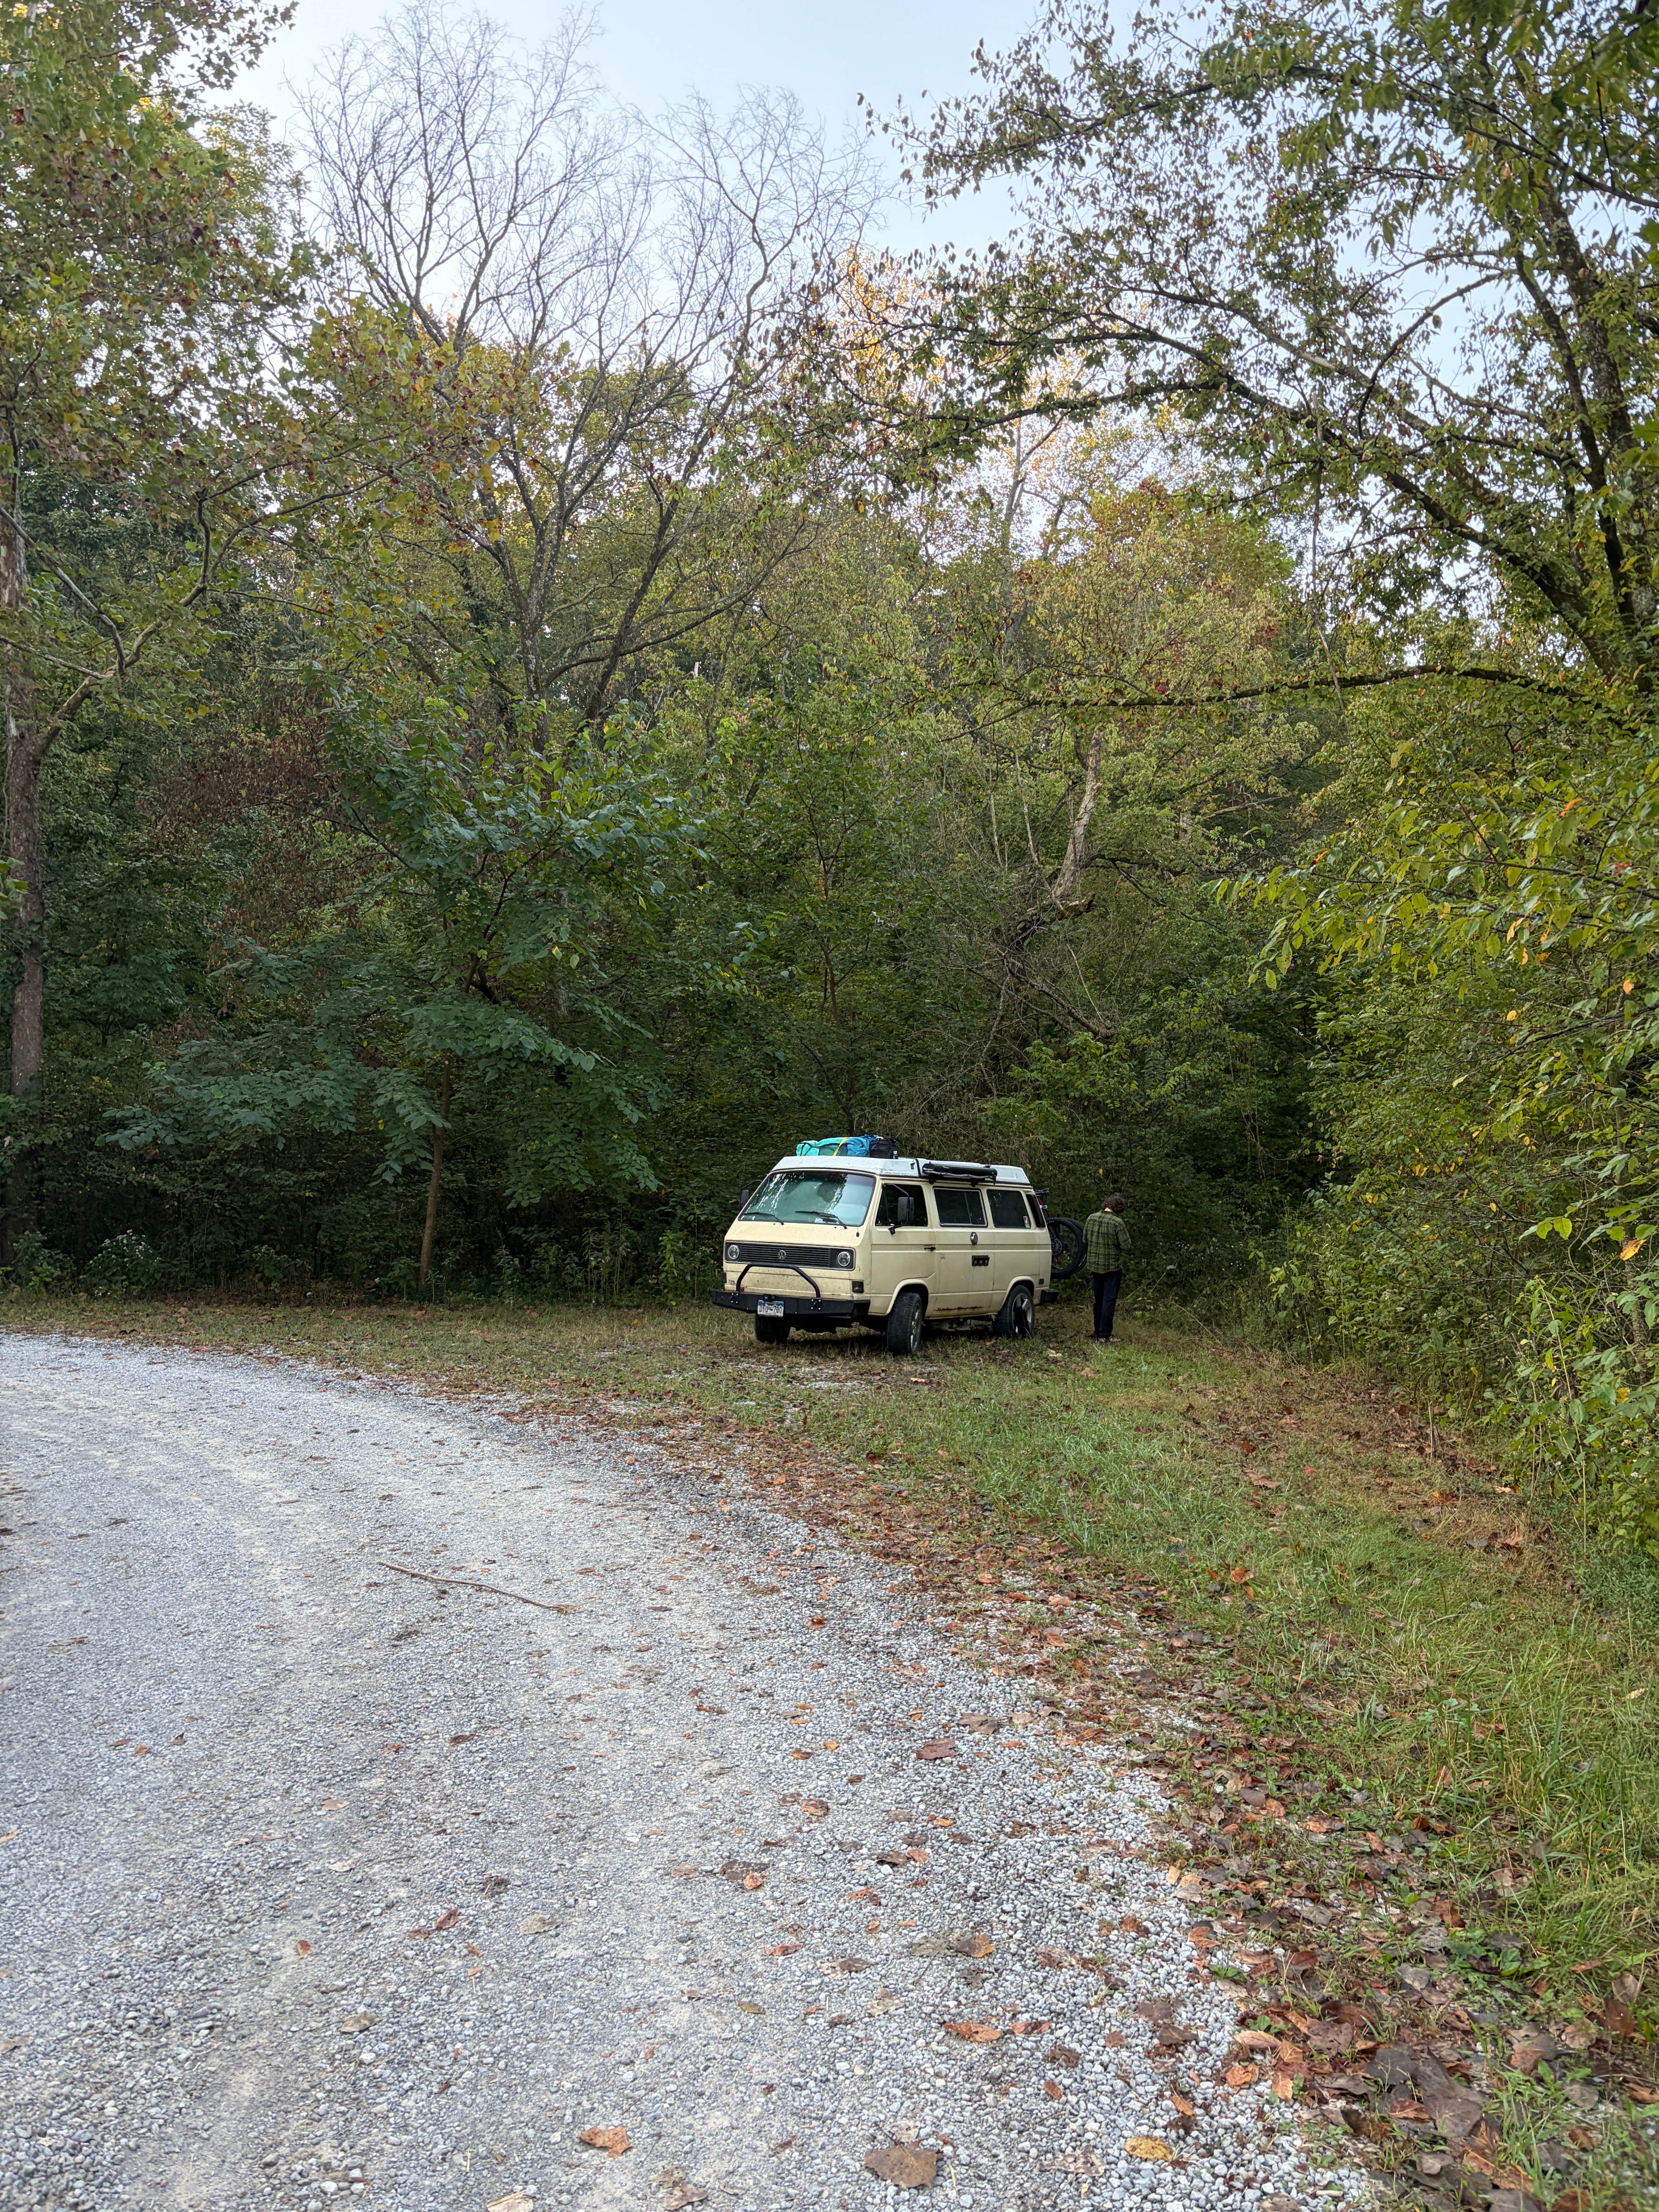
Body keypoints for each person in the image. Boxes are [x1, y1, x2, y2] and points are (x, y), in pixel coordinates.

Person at [1083, 1193, 1130, 1344]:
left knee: (1098, 1300)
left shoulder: (1091, 1218)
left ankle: (1098, 1332)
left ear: (1106, 1204)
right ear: (1119, 1208)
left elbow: (1085, 1239)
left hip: (1095, 1265)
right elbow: (1126, 1246)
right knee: (1109, 1300)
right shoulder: (1118, 1223)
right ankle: (1105, 1334)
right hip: (1112, 1267)